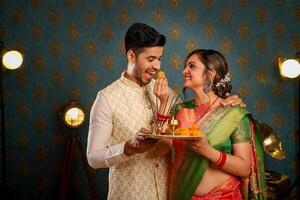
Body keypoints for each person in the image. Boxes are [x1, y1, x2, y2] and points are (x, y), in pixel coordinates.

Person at [86, 23, 245, 200]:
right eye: (151, 59)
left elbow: (199, 117)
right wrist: (127, 148)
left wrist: (229, 102)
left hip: (168, 195)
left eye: (159, 59)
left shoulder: (168, 94)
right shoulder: (107, 98)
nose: (157, 66)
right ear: (131, 56)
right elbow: (93, 158)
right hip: (129, 194)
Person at [155, 49, 267, 200]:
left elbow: (245, 168)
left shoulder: (233, 113)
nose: (184, 71)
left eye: (192, 66)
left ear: (210, 74)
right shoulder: (179, 110)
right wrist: (163, 104)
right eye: (185, 66)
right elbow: (161, 150)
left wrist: (208, 152)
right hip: (183, 194)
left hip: (225, 196)